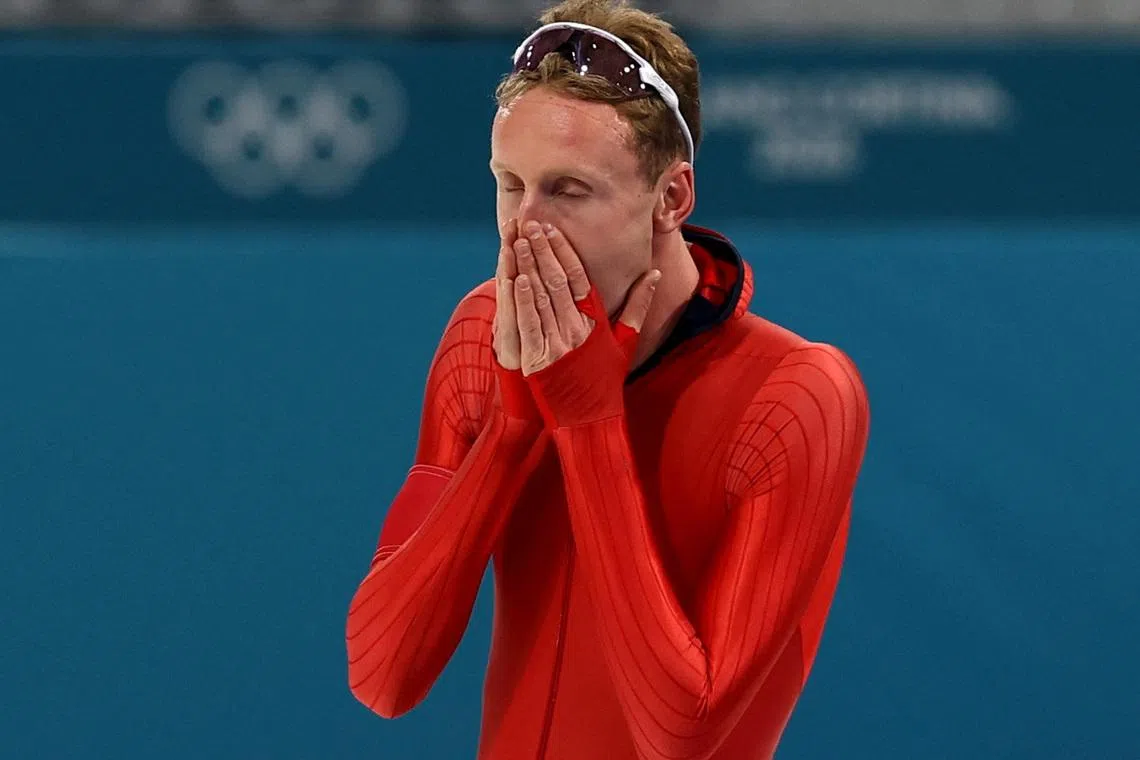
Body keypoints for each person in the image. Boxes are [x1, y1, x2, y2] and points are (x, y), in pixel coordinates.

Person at [345, 1, 870, 757]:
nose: (525, 225)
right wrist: (515, 429)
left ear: (672, 199)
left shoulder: (797, 395)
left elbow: (680, 735)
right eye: (508, 183)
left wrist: (588, 423)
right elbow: (383, 677)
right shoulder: (480, 338)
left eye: (567, 190)